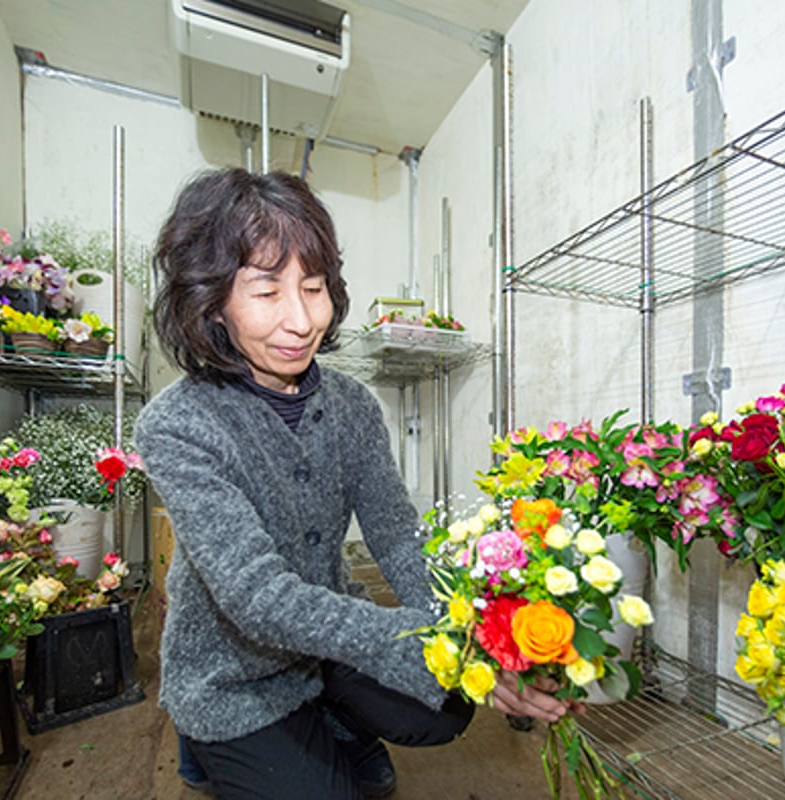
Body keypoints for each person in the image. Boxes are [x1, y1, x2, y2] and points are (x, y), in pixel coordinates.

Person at [135, 167, 577, 800]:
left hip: (327, 646)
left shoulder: (351, 406)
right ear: (210, 302)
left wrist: (470, 636)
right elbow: (257, 598)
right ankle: (206, 744)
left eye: (313, 288)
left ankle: (336, 721)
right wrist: (427, 643)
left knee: (445, 707)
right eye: (266, 293)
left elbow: (396, 535)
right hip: (234, 676)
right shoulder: (177, 424)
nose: (300, 319)